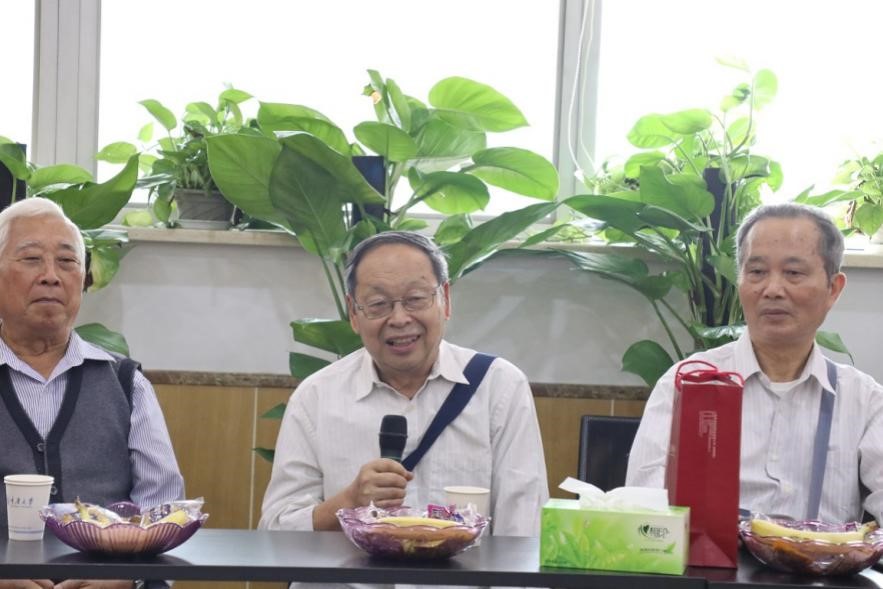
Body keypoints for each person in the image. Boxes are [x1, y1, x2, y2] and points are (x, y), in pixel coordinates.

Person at [260, 231, 549, 537]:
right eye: (378, 303)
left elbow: (524, 528)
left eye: (415, 299)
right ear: (354, 313)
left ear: (445, 300)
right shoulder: (317, 396)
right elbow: (276, 528)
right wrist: (349, 501)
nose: (399, 319)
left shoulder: (499, 387)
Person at [626, 202, 883, 523]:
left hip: (822, 558)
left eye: (793, 273)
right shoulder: (686, 383)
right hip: (701, 556)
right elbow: (643, 510)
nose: (772, 290)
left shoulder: (864, 401)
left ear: (833, 289)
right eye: (757, 272)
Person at [0, 198, 184, 589]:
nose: (51, 276)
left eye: (67, 262)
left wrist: (126, 576)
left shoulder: (125, 384)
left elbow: (163, 512)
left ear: (83, 280)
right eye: (31, 259)